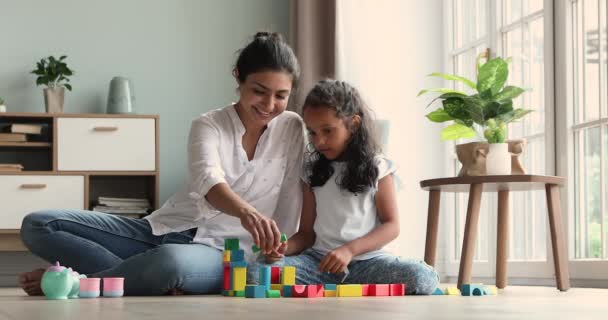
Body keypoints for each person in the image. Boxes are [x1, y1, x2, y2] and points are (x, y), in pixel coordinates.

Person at [18, 32, 305, 296]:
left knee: (170, 263)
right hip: (162, 229)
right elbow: (208, 181)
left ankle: (78, 283)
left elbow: (292, 198)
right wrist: (248, 212)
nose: (269, 104)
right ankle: (134, 276)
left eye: (281, 96)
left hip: (222, 252)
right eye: (259, 91)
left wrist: (278, 247)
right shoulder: (208, 125)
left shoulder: (292, 128)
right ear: (238, 77)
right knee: (39, 224)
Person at [260, 79, 439, 294]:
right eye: (313, 132)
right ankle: (344, 286)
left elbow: (392, 226)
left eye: (328, 131)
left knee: (421, 277)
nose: (319, 142)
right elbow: (307, 234)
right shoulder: (311, 172)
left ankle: (347, 285)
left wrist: (348, 251)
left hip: (367, 262)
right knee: (257, 272)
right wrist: (284, 248)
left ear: (353, 124)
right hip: (320, 263)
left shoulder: (378, 167)